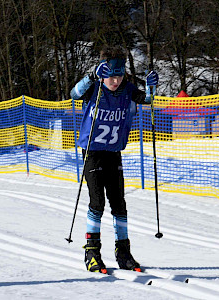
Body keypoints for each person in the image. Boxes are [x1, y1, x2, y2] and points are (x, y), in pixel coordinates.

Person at [70, 45, 158, 274]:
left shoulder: (127, 89)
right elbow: (74, 94)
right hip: (92, 152)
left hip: (113, 152)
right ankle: (92, 251)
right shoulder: (94, 87)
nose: (115, 81)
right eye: (111, 76)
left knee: (119, 203)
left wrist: (151, 87)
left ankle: (123, 253)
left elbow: (147, 100)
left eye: (119, 75)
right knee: (97, 202)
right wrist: (91, 76)